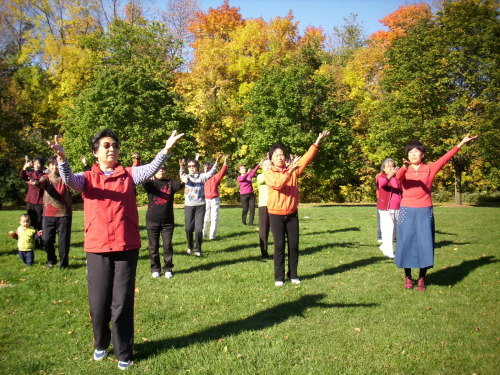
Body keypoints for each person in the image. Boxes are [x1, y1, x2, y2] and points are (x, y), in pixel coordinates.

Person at [47, 128, 184, 370]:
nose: (112, 149)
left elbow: (151, 168)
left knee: (122, 303)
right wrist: (63, 159)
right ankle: (101, 342)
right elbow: (70, 180)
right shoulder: (87, 178)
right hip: (97, 246)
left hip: (125, 245)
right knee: (99, 303)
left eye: (115, 145)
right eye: (106, 145)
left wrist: (166, 149)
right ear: (95, 152)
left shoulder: (129, 175)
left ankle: (124, 351)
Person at [394, 133, 478, 291]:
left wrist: (461, 143)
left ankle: (422, 277)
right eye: (410, 151)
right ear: (407, 155)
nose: (413, 153)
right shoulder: (404, 169)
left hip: (425, 210)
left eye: (416, 151)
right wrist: (404, 167)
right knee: (407, 242)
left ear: (422, 154)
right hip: (406, 210)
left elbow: (446, 157)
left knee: (424, 243)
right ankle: (408, 276)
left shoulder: (430, 168)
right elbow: (397, 180)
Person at [265, 130, 330, 286]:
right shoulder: (269, 173)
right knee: (279, 245)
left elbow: (307, 159)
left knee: (293, 245)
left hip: (292, 213)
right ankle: (279, 277)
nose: (280, 157)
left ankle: (293, 274)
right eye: (276, 156)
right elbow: (278, 185)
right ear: (271, 159)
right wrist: (289, 172)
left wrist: (316, 143)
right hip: (276, 214)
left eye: (282, 155)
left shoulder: (293, 171)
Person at [143, 163, 184, 279]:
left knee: (167, 246)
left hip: (168, 222)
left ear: (166, 171)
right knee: (153, 246)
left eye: (164, 168)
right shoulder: (151, 183)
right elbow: (143, 182)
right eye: (159, 168)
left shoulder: (171, 183)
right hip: (152, 221)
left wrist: (183, 174)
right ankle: (155, 268)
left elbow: (181, 183)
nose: (162, 170)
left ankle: (168, 268)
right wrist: (148, 175)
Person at [31, 155, 73, 269]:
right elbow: (40, 183)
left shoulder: (66, 178)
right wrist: (36, 183)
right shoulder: (46, 178)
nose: (55, 167)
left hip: (64, 214)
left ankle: (63, 264)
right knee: (46, 239)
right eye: (52, 165)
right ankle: (51, 259)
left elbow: (75, 183)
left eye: (57, 165)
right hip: (48, 214)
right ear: (48, 166)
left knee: (63, 241)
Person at [180, 155, 221, 257]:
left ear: (197, 167)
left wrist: (217, 162)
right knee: (188, 228)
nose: (191, 167)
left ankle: (198, 249)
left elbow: (211, 172)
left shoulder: (202, 176)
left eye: (193, 165)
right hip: (189, 206)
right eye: (189, 166)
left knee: (198, 229)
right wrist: (181, 168)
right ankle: (190, 246)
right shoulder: (186, 176)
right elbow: (182, 176)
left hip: (200, 206)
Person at [376, 159, 402, 258]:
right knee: (388, 229)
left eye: (392, 166)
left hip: (398, 207)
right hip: (386, 208)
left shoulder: (398, 178)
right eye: (388, 167)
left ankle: (384, 246)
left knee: (395, 231)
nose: (391, 168)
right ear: (383, 169)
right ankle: (389, 252)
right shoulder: (381, 177)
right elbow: (381, 184)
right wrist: (390, 175)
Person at [19, 155, 46, 245]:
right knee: (31, 221)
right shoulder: (30, 174)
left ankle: (42, 241)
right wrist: (24, 167)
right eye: (35, 163)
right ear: (33, 164)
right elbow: (22, 176)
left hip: (40, 202)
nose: (37, 165)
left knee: (40, 221)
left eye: (39, 163)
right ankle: (34, 241)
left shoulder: (44, 175)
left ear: (42, 165)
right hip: (30, 201)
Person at [203, 155, 228, 240]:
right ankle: (203, 234)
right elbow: (194, 173)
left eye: (209, 168)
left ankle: (212, 236)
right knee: (206, 218)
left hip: (214, 199)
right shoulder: (202, 177)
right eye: (206, 168)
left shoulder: (215, 177)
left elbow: (222, 171)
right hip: (205, 200)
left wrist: (225, 161)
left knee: (214, 218)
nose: (207, 170)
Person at [257, 158, 272, 259]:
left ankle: (278, 252)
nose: (267, 166)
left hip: (274, 205)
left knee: (275, 229)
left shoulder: (274, 175)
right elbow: (265, 179)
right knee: (264, 229)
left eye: (269, 164)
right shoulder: (260, 176)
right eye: (265, 165)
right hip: (263, 205)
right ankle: (264, 252)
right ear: (262, 167)